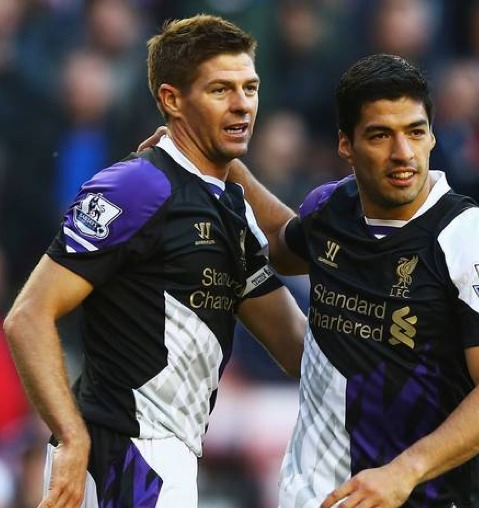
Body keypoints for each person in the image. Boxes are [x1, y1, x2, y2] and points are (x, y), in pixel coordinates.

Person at [141, 52, 479, 507]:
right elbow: (281, 245)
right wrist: (221, 162)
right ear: (345, 144)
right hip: (313, 495)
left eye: (415, 132)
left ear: (432, 136)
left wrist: (406, 470)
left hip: (421, 496)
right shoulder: (332, 208)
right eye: (380, 135)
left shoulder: (464, 238)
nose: (403, 153)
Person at [3, 14, 306, 508]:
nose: (242, 104)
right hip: (125, 455)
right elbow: (27, 315)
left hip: (168, 457)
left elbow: (296, 347)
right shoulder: (137, 185)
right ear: (171, 100)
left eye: (250, 87)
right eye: (220, 90)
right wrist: (72, 436)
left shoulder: (228, 208)